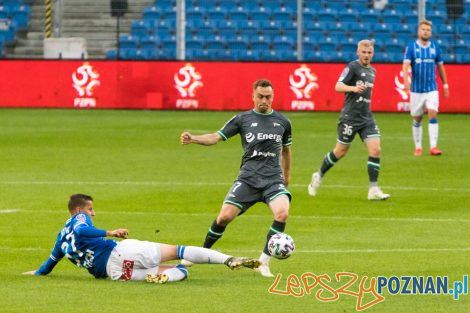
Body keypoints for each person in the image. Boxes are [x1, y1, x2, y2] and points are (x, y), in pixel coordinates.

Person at [180, 79, 292, 277]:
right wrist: (194, 138)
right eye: (260, 96)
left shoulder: (283, 122)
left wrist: (287, 176)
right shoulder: (242, 119)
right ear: (253, 96)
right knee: (223, 217)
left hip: (273, 180)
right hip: (248, 179)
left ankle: (263, 262)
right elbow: (216, 136)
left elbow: (286, 151)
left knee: (282, 213)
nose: (264, 100)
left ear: (273, 97)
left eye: (268, 97)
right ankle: (199, 253)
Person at [22, 194, 260, 283]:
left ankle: (163, 275)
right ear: (77, 210)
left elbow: (50, 263)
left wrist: (37, 273)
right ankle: (228, 259)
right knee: (179, 251)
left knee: (179, 270)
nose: (92, 213)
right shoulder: (79, 220)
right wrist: (110, 232)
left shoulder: (60, 238)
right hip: (120, 251)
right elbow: (83, 230)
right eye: (90, 209)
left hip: (114, 273)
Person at [308, 40, 390, 201]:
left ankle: (373, 189)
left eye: (369, 53)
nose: (366, 55)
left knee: (376, 150)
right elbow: (338, 86)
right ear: (358, 52)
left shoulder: (373, 71)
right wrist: (352, 88)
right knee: (340, 151)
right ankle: (319, 175)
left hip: (366, 117)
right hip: (350, 118)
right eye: (363, 52)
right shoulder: (352, 67)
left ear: (372, 54)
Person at [403, 20, 449, 156]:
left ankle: (433, 147)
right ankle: (418, 147)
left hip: (431, 89)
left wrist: (445, 84)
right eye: (423, 29)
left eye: (428, 30)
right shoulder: (411, 47)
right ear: (419, 31)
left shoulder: (435, 47)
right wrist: (406, 82)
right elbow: (405, 66)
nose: (425, 32)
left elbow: (440, 66)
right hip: (416, 90)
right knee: (417, 118)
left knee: (433, 112)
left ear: (431, 32)